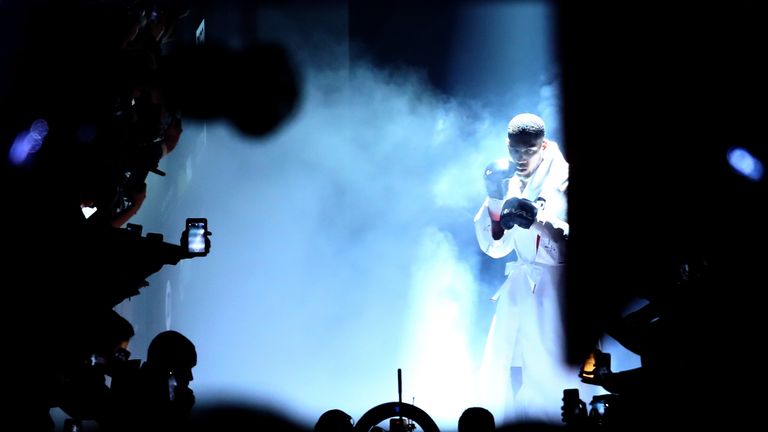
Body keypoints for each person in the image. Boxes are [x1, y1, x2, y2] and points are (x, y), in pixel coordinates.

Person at [474, 113, 580, 424]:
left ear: (543, 145)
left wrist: (539, 220)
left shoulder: (565, 177)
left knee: (552, 369)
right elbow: (497, 248)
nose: (520, 158)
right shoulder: (508, 177)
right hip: (520, 286)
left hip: (557, 288)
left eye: (528, 150)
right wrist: (495, 199)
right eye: (514, 149)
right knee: (506, 363)